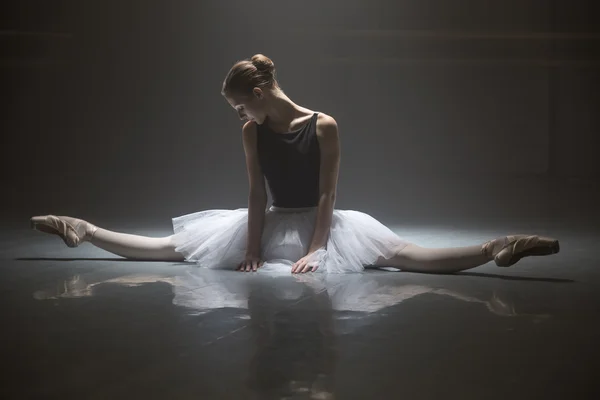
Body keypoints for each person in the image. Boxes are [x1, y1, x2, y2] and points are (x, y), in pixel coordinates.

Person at [30, 54, 560, 274]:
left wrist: (318, 247)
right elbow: (257, 196)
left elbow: (327, 196)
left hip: (322, 223)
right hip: (274, 219)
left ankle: (498, 245)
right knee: (172, 249)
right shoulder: (252, 132)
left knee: (406, 254)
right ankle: (84, 227)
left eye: (242, 105)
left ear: (260, 91)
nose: (240, 114)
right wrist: (254, 247)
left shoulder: (323, 125)